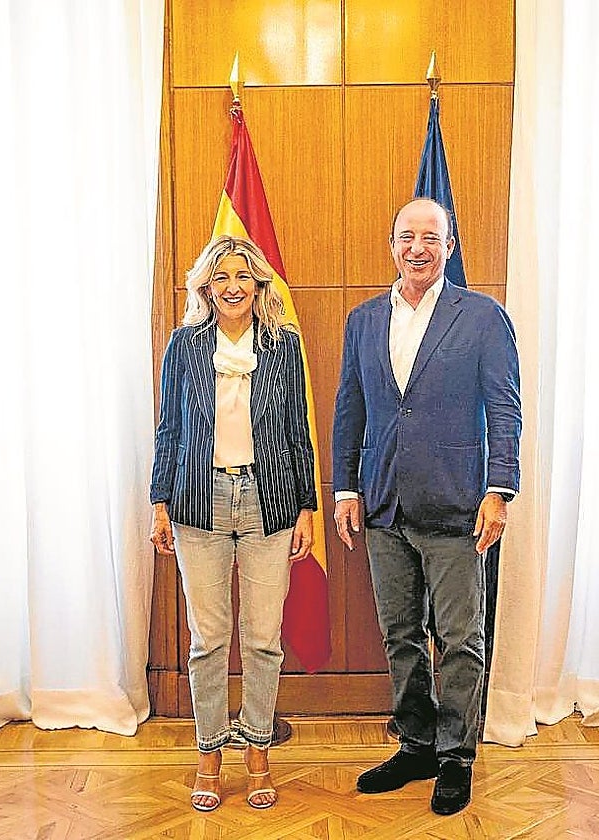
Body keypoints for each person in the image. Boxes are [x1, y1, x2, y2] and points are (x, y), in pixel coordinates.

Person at [332, 198, 521, 816]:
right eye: (407, 237)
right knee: (401, 634)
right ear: (392, 244)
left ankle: (456, 756)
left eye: (431, 238)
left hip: (457, 506)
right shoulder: (363, 320)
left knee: (461, 637)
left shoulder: (483, 317)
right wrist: (344, 489)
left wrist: (499, 489)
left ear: (450, 244)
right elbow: (349, 410)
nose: (418, 248)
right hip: (384, 504)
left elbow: (504, 408)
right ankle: (415, 743)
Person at [150, 235, 317, 812]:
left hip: (269, 500)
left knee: (264, 638)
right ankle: (209, 752)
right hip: (200, 501)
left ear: (259, 284)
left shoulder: (282, 346)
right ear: (206, 287)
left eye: (242, 276)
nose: (232, 287)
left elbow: (299, 430)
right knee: (209, 638)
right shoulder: (184, 346)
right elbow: (168, 426)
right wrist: (159, 501)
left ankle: (259, 751)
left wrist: (306, 507)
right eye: (220, 278)